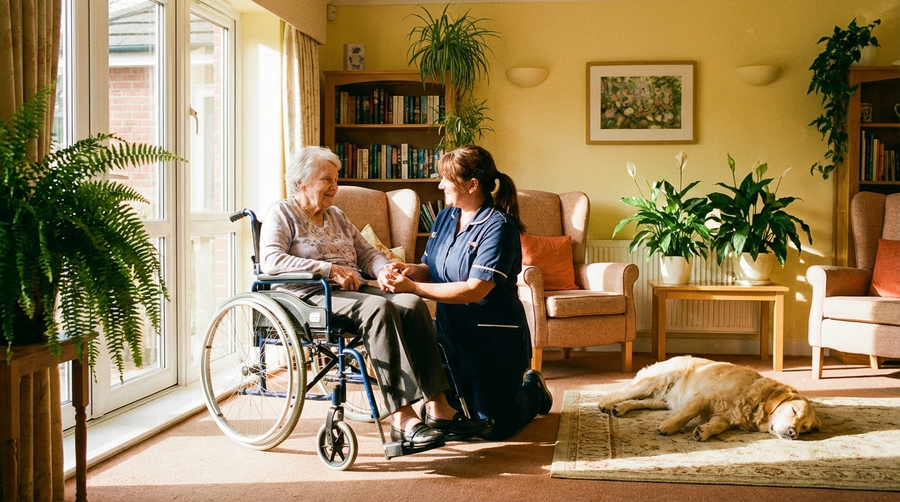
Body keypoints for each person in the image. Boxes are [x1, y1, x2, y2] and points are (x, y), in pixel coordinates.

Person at [259, 146, 487, 450]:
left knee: (410, 302)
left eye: (335, 179)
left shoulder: (336, 215)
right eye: (326, 179)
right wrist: (330, 270)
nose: (334, 187)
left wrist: (382, 271)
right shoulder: (282, 212)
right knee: (378, 308)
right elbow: (271, 261)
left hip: (352, 291)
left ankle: (438, 407)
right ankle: (402, 418)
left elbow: (367, 253)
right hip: (309, 298)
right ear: (301, 183)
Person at [381, 145, 553, 441]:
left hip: (494, 341)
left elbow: (475, 289)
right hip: (450, 336)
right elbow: (429, 266)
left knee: (494, 427)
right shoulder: (446, 217)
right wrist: (409, 270)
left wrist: (413, 288)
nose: (440, 185)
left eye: (446, 178)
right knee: (454, 419)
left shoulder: (499, 227)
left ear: (472, 185)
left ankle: (533, 390)